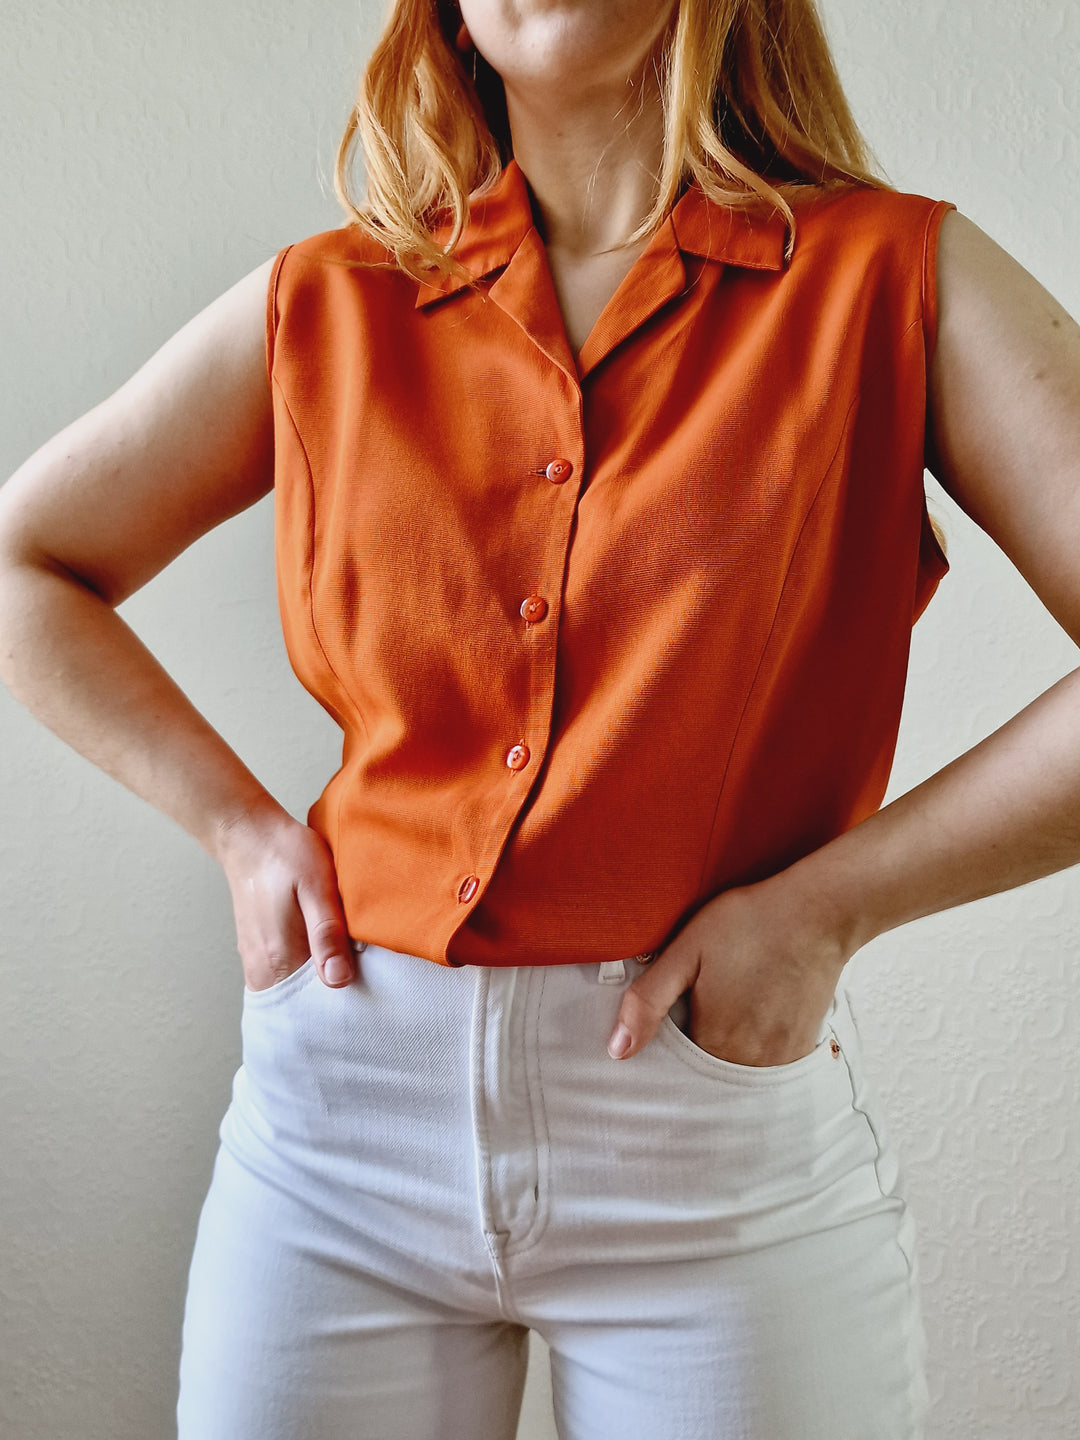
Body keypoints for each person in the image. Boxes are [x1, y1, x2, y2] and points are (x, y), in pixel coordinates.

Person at [1, 0, 1078, 1435]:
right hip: (333, 1130)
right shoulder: (330, 302)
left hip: (706, 1136)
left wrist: (825, 911)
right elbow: (31, 562)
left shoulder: (894, 278)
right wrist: (240, 834)